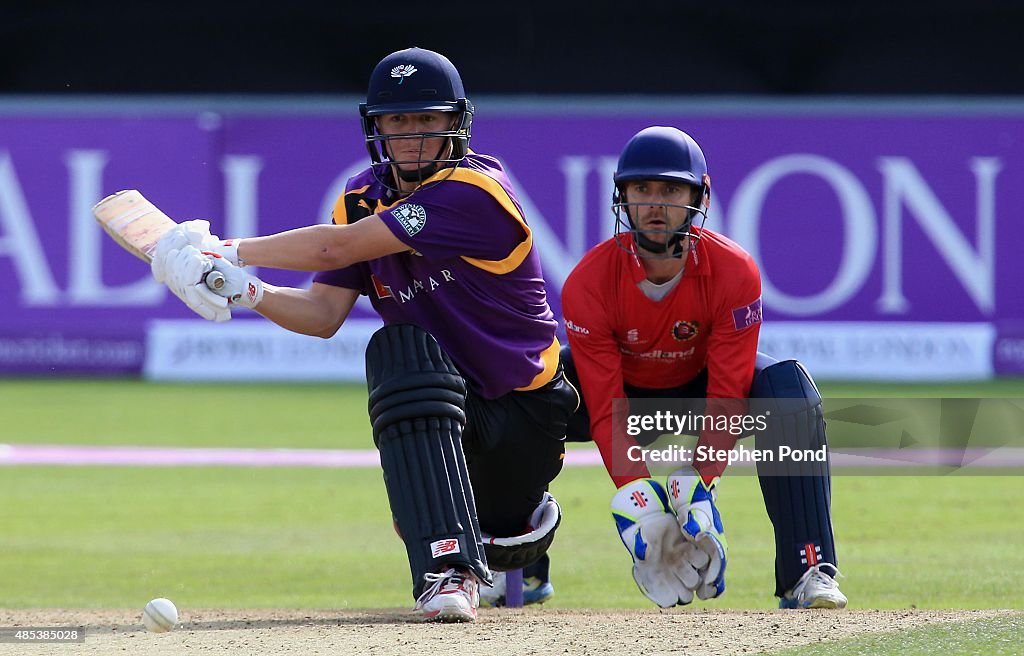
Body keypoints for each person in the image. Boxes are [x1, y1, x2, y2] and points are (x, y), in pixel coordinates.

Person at [150, 47, 577, 622]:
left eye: (428, 119)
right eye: (399, 122)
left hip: (524, 409)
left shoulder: (475, 191)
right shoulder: (361, 196)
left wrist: (226, 250)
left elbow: (336, 246)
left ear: (457, 122)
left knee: (505, 524)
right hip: (446, 406)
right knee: (399, 351)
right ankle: (445, 572)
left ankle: (505, 538)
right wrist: (246, 291)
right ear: (376, 126)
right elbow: (323, 314)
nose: (414, 136)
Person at [559, 126, 847, 609]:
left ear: (700, 195)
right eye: (642, 189)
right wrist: (638, 496)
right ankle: (510, 556)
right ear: (622, 197)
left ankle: (808, 570)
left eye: (671, 190)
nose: (655, 204)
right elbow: (606, 403)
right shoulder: (587, 283)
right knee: (531, 389)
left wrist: (700, 478)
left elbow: (730, 385)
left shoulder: (735, 271)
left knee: (789, 391)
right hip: (619, 394)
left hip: (701, 386)